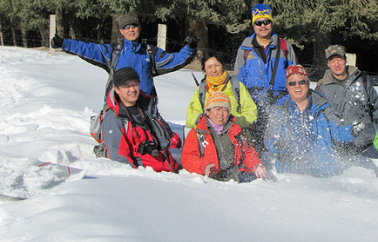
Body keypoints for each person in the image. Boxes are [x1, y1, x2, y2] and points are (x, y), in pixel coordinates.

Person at [51, 13, 197, 97]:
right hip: (118, 106)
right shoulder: (114, 52)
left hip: (144, 106)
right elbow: (87, 49)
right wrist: (64, 43)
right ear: (121, 31)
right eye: (127, 27)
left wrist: (190, 47)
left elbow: (175, 60)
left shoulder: (150, 52)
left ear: (139, 28)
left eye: (134, 26)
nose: (131, 30)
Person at [233, 4, 297, 151]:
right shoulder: (245, 49)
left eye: (266, 22)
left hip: (280, 105)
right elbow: (237, 82)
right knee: (255, 148)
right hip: (253, 106)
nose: (263, 26)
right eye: (258, 22)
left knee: (279, 147)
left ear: (272, 23)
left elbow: (296, 76)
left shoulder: (285, 47)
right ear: (253, 25)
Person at [265, 65, 347, 177]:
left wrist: (352, 130)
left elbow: (338, 133)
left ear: (308, 83)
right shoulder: (279, 111)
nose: (297, 86)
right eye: (292, 83)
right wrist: (277, 144)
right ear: (287, 86)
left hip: (322, 176)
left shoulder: (323, 108)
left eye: (301, 82)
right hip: (289, 176)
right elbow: (268, 140)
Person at [100, 67, 181, 172]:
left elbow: (166, 139)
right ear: (117, 89)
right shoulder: (114, 117)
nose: (132, 90)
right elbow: (119, 158)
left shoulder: (147, 107)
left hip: (168, 168)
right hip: (145, 174)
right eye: (127, 86)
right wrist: (138, 179)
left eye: (135, 84)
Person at [182, 91, 267, 182]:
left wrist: (256, 165)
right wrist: (203, 167)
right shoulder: (198, 132)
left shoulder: (235, 130)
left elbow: (247, 153)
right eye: (217, 109)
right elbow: (187, 158)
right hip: (209, 178)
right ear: (207, 111)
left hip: (235, 174)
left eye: (225, 110)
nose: (221, 114)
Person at [315, 44, 378, 157]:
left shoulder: (362, 79)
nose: (337, 64)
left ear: (345, 60)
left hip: (367, 144)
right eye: (332, 60)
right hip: (339, 148)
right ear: (328, 64)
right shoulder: (322, 88)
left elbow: (376, 110)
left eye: (339, 59)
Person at [185, 50, 257, 131]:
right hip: (209, 138)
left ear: (223, 66)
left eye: (217, 65)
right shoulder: (201, 90)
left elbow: (251, 112)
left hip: (235, 136)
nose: (214, 70)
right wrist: (207, 121)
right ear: (204, 70)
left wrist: (233, 122)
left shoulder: (236, 85)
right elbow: (191, 117)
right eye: (209, 67)